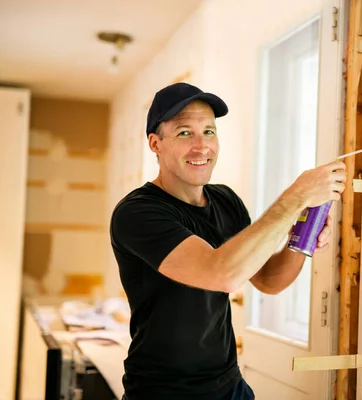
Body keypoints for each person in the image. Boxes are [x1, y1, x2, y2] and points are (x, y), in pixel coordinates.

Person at [109, 82, 347, 400]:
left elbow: (268, 279)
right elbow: (221, 274)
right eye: (184, 133)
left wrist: (302, 234)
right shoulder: (137, 213)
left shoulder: (225, 200)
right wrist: (296, 197)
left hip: (229, 387)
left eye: (209, 131)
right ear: (155, 144)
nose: (201, 146)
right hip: (163, 392)